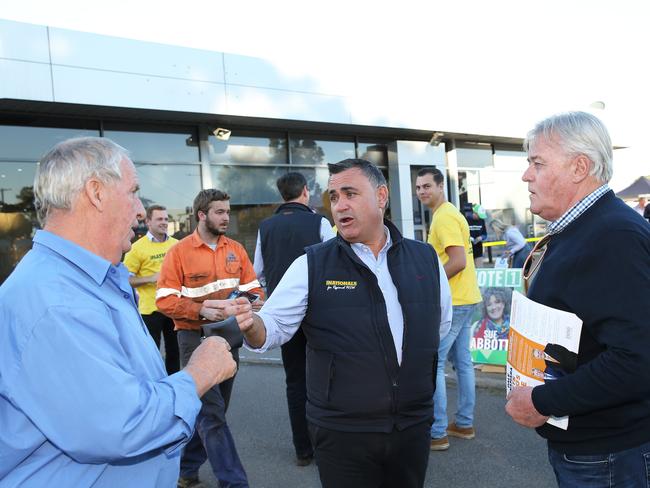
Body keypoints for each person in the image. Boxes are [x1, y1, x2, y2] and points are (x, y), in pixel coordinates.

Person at [0, 137, 248, 487]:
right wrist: (201, 372)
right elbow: (123, 426)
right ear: (96, 193)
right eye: (133, 192)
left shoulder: (92, 280)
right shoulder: (55, 301)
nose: (139, 210)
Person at [241, 159, 452, 488]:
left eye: (350, 193)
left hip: (412, 427)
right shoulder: (311, 264)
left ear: (382, 196)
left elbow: (438, 327)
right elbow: (272, 326)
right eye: (334, 197)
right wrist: (249, 322)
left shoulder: (425, 259)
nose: (340, 206)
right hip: (342, 433)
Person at [505, 111, 650, 486]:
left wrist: (542, 401)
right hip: (594, 448)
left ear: (579, 167)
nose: (526, 175)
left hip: (611, 455)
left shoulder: (613, 236)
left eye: (537, 163)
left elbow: (636, 361)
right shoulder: (584, 229)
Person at [157, 189, 265, 488]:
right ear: (201, 214)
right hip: (193, 338)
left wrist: (246, 300)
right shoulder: (178, 252)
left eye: (227, 212)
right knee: (213, 414)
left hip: (229, 337)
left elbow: (255, 289)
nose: (226, 217)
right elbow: (164, 300)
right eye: (219, 212)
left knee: (211, 413)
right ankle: (234, 482)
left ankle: (186, 468)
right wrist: (200, 308)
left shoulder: (236, 249)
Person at [253, 171, 336, 466]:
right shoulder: (320, 223)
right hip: (321, 312)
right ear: (304, 192)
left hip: (283, 316)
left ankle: (303, 449)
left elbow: (258, 273)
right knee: (328, 377)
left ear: (282, 195)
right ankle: (329, 443)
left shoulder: (266, 227)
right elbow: (336, 263)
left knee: (295, 381)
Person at [415, 167, 482, 451]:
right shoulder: (450, 213)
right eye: (418, 188)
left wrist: (431, 284)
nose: (422, 192)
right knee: (463, 362)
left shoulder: (443, 218)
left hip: (454, 302)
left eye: (427, 186)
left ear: (441, 186)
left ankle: (438, 432)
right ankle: (463, 424)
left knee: (435, 363)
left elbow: (457, 261)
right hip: (465, 298)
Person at [123, 204, 180, 374]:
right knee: (151, 355)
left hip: (174, 308)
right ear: (148, 222)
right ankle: (154, 390)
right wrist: (151, 278)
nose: (164, 222)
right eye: (159, 219)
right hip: (150, 311)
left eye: (166, 219)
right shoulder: (137, 247)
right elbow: (125, 280)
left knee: (174, 353)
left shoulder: (176, 245)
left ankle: (174, 388)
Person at [462, 202, 488, 268]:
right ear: (475, 213)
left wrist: (481, 237)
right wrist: (469, 238)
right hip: (468, 249)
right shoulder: (466, 220)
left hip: (478, 249)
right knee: (469, 268)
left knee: (480, 268)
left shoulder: (481, 221)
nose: (480, 218)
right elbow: (461, 232)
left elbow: (485, 234)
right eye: (479, 215)